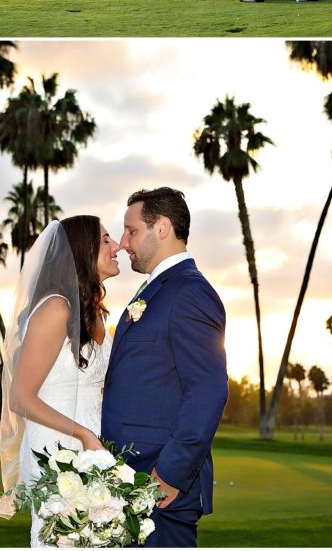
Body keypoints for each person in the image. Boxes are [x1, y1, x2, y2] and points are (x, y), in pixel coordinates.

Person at [102, 187, 228, 550]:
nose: (124, 243)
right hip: (131, 480)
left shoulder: (189, 292)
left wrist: (171, 474)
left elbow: (208, 391)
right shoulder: (155, 290)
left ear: (162, 228)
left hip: (159, 487)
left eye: (131, 230)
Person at [0, 217, 120, 546]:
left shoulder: (98, 314)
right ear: (82, 251)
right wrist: (84, 435)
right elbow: (20, 397)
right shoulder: (56, 308)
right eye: (106, 240)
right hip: (56, 448)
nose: (116, 245)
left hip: (92, 448)